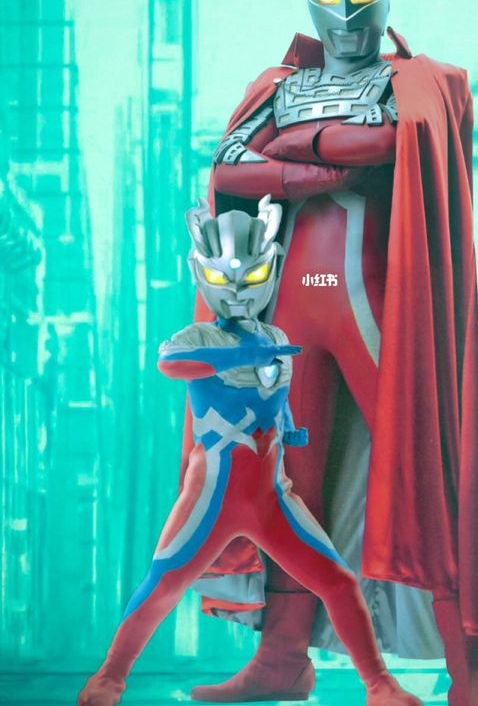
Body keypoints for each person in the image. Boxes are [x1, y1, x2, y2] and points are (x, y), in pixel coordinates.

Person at [185, 0, 478, 706]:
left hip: (373, 302)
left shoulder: (419, 83)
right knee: (285, 483)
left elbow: (397, 144)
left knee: (425, 471)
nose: (349, 16)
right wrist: (322, 158)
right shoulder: (277, 85)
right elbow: (230, 168)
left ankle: (469, 676)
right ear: (311, 0)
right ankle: (283, 658)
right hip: (294, 306)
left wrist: (299, 147)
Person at [77, 196, 421, 706]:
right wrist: (235, 355)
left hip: (271, 496)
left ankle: (379, 684)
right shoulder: (201, 336)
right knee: (162, 584)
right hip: (211, 496)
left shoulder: (275, 336)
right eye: (223, 279)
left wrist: (293, 431)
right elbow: (171, 361)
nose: (237, 290)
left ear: (272, 269)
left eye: (251, 276)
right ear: (201, 273)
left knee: (338, 582)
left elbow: (276, 406)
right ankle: (109, 677)